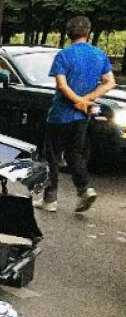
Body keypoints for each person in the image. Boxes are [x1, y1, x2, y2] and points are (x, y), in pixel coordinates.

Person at [34, 16, 115, 213]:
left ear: (69, 33)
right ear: (88, 32)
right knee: (75, 153)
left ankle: (50, 199)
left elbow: (61, 84)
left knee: (51, 156)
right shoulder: (99, 54)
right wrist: (87, 100)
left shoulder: (64, 55)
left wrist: (77, 100)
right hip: (82, 116)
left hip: (60, 114)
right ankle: (84, 189)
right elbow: (110, 82)